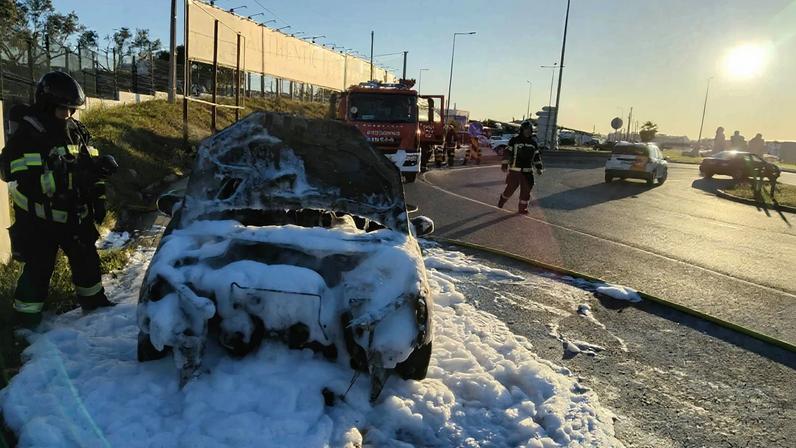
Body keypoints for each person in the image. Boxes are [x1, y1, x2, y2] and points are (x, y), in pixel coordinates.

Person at [1, 71, 118, 329]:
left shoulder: (77, 130)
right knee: (38, 269)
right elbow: (9, 169)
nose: (68, 115)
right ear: (46, 104)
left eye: (71, 110)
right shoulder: (29, 132)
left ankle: (94, 304)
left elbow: (89, 164)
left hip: (75, 213)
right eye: (62, 109)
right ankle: (25, 322)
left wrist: (97, 195)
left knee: (86, 260)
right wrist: (53, 174)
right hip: (40, 219)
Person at [498, 120, 543, 214]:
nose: (527, 131)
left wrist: (539, 167)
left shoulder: (533, 143)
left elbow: (536, 156)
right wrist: (505, 164)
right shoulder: (514, 140)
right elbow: (507, 152)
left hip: (528, 172)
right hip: (515, 171)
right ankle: (502, 199)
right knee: (510, 189)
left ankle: (522, 208)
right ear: (522, 130)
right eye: (526, 129)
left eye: (529, 130)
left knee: (526, 192)